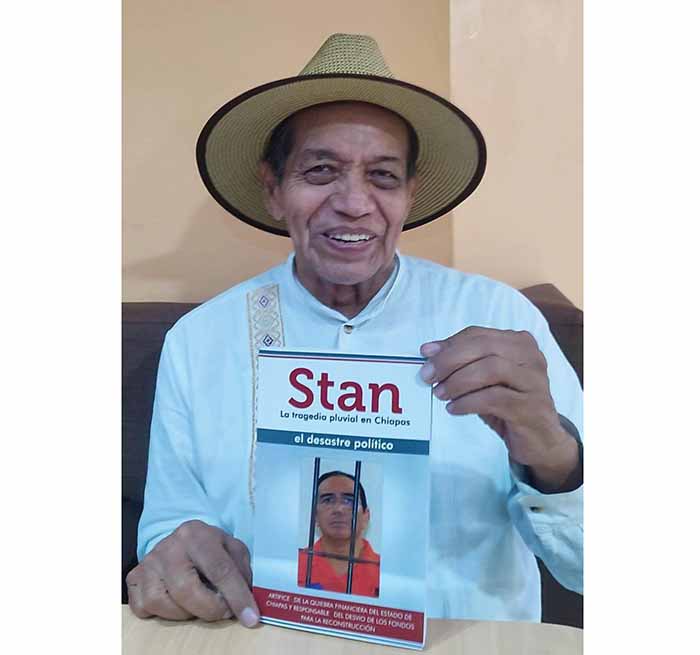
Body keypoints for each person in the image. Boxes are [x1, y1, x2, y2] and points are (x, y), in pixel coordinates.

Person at [127, 33, 583, 627]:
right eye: (321, 171)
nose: (354, 203)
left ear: (410, 195)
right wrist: (173, 559)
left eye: (383, 177)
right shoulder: (200, 340)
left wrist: (551, 451)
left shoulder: (501, 319)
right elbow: (168, 526)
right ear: (273, 189)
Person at [297, 471, 380, 598]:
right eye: (328, 500)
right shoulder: (294, 565)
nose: (338, 509)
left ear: (366, 516)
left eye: (349, 501)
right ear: (315, 516)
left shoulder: (386, 572)